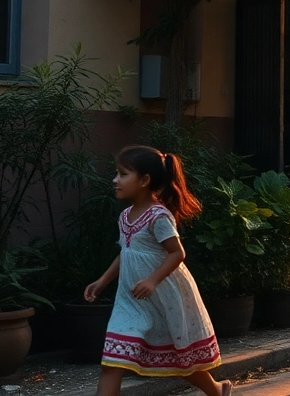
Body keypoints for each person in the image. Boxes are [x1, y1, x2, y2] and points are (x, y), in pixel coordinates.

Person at [86, 146, 230, 396]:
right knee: (112, 361)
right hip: (130, 302)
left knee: (179, 359)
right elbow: (127, 253)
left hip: (162, 298)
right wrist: (102, 281)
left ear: (144, 180)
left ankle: (217, 391)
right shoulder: (125, 217)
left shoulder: (158, 216)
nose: (115, 180)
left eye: (122, 174)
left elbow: (177, 253)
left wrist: (152, 281)